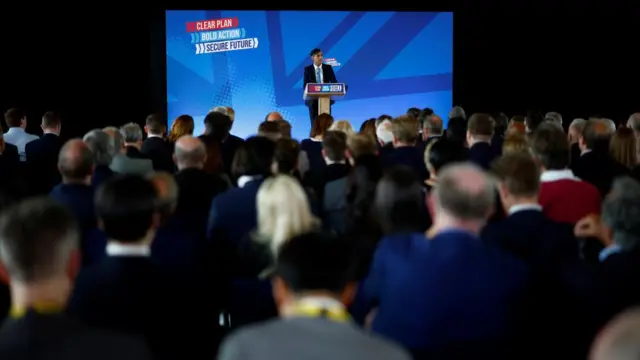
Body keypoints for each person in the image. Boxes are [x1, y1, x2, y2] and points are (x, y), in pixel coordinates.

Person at [303, 48, 338, 125]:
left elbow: (334, 82)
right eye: (318, 56)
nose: (320, 57)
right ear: (312, 57)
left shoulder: (328, 68)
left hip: (326, 98)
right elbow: (305, 85)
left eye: (321, 55)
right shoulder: (307, 69)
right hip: (312, 100)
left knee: (327, 123)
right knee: (315, 123)